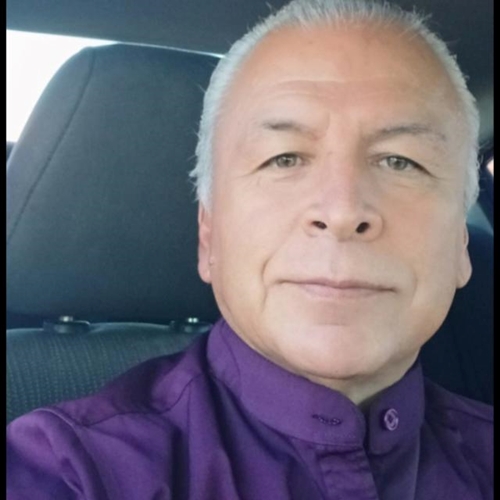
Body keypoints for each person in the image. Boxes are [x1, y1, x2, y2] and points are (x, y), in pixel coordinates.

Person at [7, 0, 492, 498]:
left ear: (461, 242)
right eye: (284, 159)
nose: (343, 210)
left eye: (400, 161)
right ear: (209, 234)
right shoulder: (70, 472)